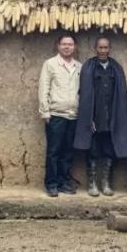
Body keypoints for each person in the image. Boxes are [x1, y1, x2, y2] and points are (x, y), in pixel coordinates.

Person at [74, 36, 127, 197]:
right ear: (95, 48)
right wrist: (89, 118)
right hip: (95, 117)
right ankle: (92, 183)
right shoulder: (89, 67)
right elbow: (85, 95)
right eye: (100, 47)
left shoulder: (116, 68)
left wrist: (118, 117)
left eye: (106, 47)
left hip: (112, 117)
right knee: (93, 149)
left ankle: (106, 183)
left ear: (109, 49)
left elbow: (121, 95)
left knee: (109, 149)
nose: (103, 51)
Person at [38, 33, 81, 197]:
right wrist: (45, 112)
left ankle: (63, 182)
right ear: (58, 46)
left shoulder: (79, 66)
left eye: (70, 44)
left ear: (75, 47)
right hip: (56, 114)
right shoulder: (50, 64)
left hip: (73, 115)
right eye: (64, 44)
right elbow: (44, 88)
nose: (67, 47)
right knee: (54, 151)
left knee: (68, 152)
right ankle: (51, 183)